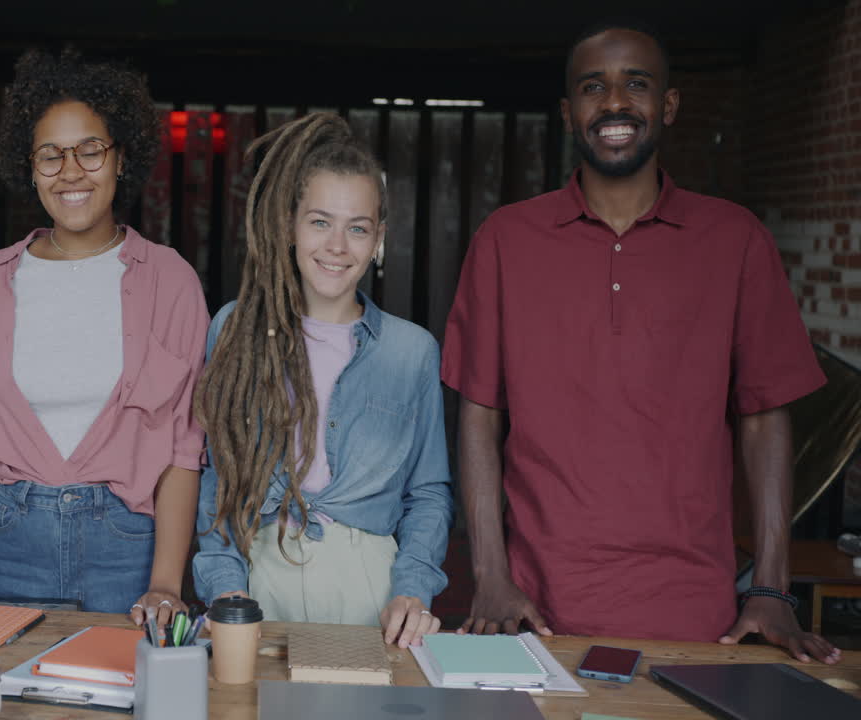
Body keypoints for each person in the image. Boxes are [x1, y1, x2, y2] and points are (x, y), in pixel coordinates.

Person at [442, 20, 841, 663]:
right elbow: (479, 416)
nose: (616, 103)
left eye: (637, 84)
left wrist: (771, 588)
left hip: (695, 611)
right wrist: (489, 574)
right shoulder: (505, 239)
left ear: (669, 105)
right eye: (595, 87)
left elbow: (765, 415)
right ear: (570, 113)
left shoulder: (734, 238)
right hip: (533, 609)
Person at [0, 49, 207, 629]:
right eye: (50, 155)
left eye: (90, 150)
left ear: (121, 157)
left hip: (128, 547)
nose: (71, 171)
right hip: (8, 546)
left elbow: (182, 447)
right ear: (30, 167)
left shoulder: (171, 280)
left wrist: (166, 583)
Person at [192, 113, 454, 649]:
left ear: (378, 239)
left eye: (357, 227)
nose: (337, 245)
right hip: (258, 577)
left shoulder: (412, 352)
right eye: (319, 222)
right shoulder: (234, 328)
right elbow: (217, 478)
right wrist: (223, 588)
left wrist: (414, 590)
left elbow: (428, 493)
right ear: (290, 226)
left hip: (371, 589)